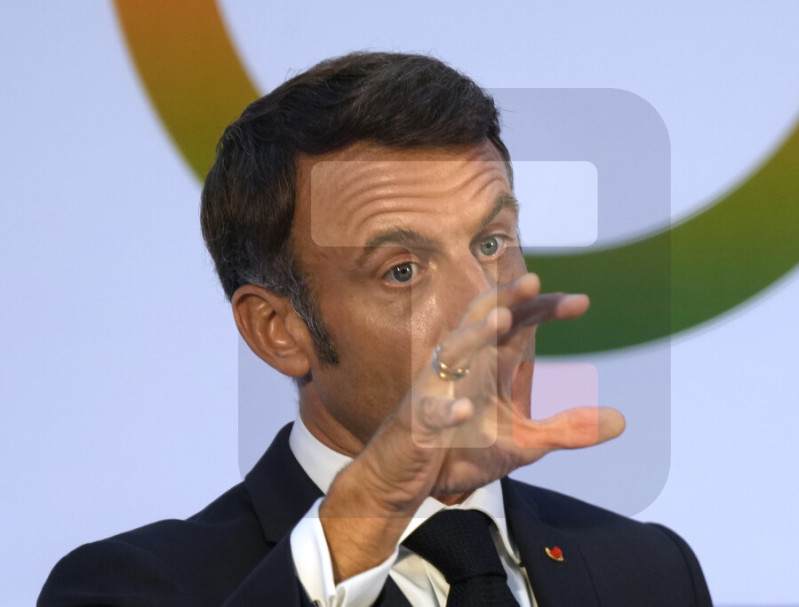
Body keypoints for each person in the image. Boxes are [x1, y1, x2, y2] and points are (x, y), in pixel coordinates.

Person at [39, 51, 712, 606]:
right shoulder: (132, 586)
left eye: (491, 244)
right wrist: (367, 514)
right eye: (402, 271)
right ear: (278, 330)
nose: (485, 304)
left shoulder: (650, 572)